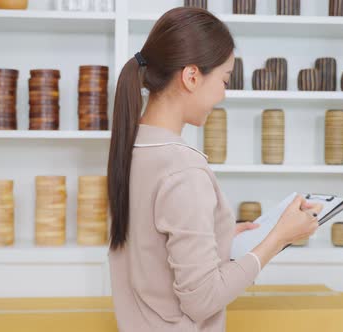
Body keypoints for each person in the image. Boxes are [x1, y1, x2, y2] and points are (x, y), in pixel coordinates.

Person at [107, 7, 322, 332]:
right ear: (192, 76)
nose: (223, 93)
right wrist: (277, 238)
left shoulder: (132, 149)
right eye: (224, 79)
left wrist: (218, 237)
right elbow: (203, 299)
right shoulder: (183, 169)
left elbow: (150, 250)